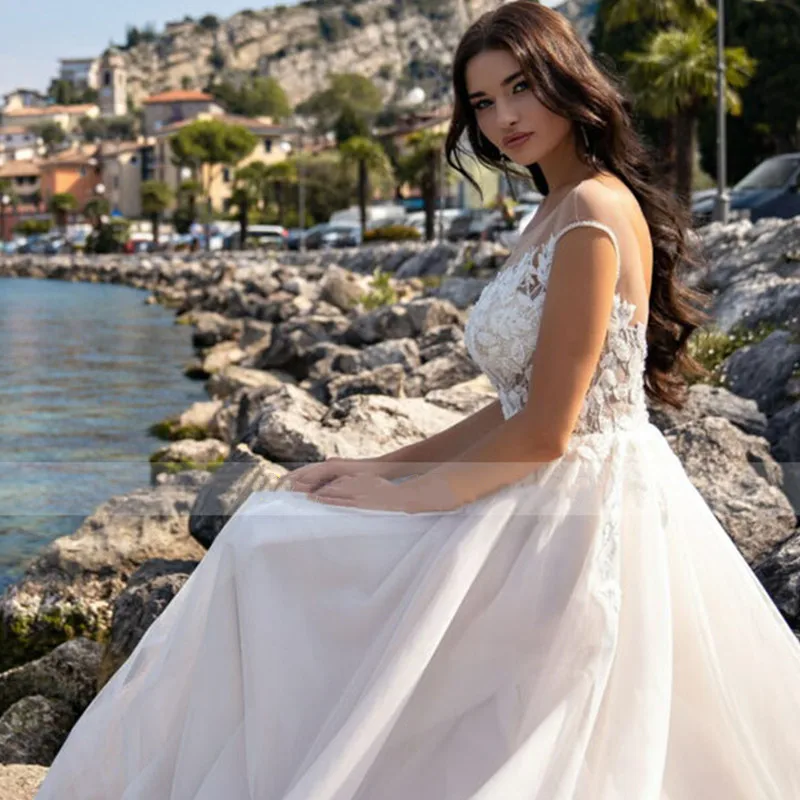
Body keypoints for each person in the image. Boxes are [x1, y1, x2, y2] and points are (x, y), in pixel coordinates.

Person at [37, 3, 800, 798]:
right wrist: (383, 464)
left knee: (270, 545)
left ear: (567, 80)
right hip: (544, 487)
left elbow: (545, 432)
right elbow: (519, 405)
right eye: (481, 103)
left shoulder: (594, 212)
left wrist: (400, 500)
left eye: (519, 88)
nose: (503, 117)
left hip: (577, 510)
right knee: (271, 531)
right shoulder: (556, 207)